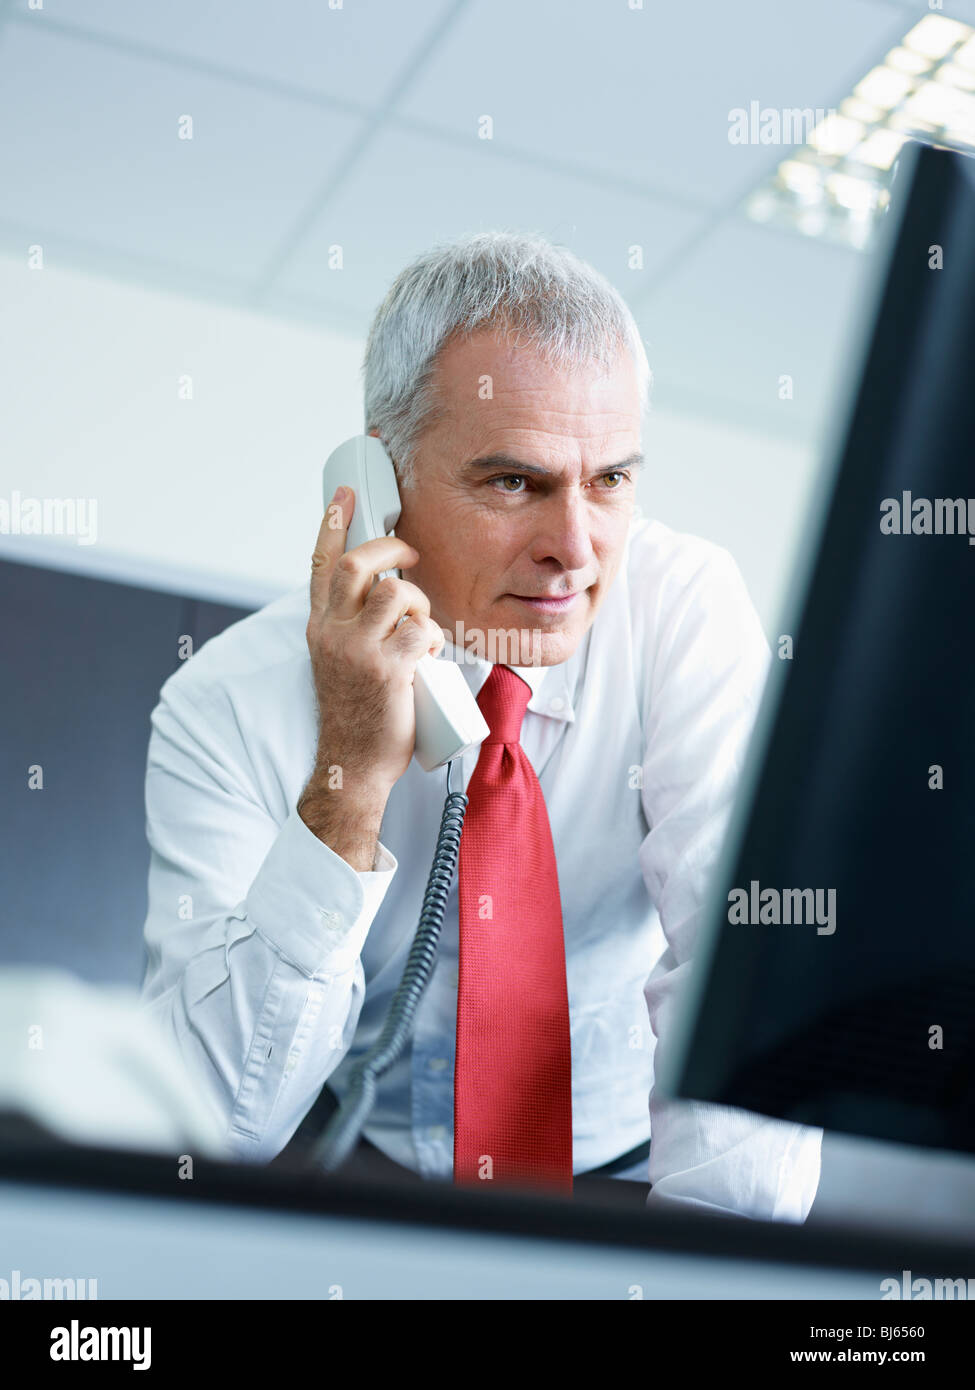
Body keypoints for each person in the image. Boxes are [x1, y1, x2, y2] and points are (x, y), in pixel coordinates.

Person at [140, 231, 822, 1219]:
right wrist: (350, 774)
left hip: (632, 1160)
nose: (576, 552)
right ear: (374, 489)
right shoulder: (226, 701)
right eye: (515, 482)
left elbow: (740, 965)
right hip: (360, 1152)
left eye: (612, 480)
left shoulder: (687, 611)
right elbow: (201, 1125)